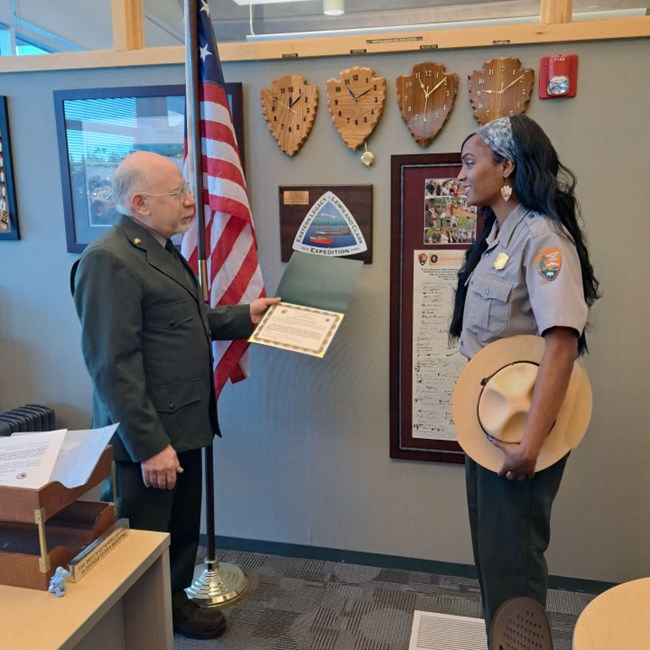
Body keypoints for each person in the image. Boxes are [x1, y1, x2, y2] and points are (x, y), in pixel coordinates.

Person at [71, 151, 279, 640]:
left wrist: (245, 315)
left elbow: (190, 319)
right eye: (179, 194)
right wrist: (150, 445)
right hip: (150, 436)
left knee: (180, 528)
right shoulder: (108, 260)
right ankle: (134, 627)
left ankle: (172, 606)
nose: (191, 203)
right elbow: (112, 366)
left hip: (184, 423)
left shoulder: (161, 249)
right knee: (139, 539)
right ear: (139, 203)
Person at [448, 115, 600, 640]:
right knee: (494, 560)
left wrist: (531, 443)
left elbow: (561, 344)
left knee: (513, 566)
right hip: (490, 434)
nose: (461, 176)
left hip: (521, 438)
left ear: (506, 167)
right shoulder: (499, 236)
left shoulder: (543, 238)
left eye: (470, 163)